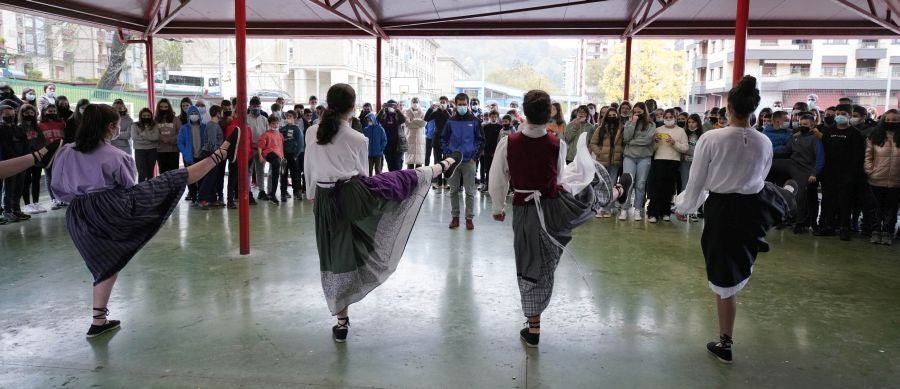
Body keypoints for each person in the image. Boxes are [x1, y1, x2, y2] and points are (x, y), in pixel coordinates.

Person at [51, 103, 235, 338]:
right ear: (110, 127)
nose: (118, 130)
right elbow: (128, 187)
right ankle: (219, 155)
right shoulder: (116, 156)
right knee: (170, 180)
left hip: (78, 214)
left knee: (105, 265)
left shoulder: (66, 151)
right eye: (117, 126)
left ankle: (99, 321)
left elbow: (58, 187)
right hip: (111, 209)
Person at [303, 83, 460, 343]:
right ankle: (442, 166)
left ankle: (341, 322)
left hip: (323, 199)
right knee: (402, 180)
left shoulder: (311, 131)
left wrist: (313, 194)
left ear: (329, 104)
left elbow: (309, 166)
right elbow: (362, 175)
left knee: (333, 256)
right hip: (352, 195)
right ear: (353, 107)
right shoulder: (357, 138)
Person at [489, 89, 630, 348]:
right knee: (585, 201)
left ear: (524, 113)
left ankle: (534, 328)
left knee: (529, 264)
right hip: (553, 207)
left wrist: (498, 207)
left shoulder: (509, 142)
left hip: (525, 211)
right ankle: (616, 192)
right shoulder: (557, 144)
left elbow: (497, 178)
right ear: (549, 115)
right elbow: (559, 176)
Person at [674, 75, 797, 365]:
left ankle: (725, 343)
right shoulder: (763, 141)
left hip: (722, 210)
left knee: (724, 279)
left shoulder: (711, 138)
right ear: (754, 109)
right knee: (733, 271)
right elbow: (761, 177)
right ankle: (787, 197)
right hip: (752, 210)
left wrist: (685, 206)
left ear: (728, 107)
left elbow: (697, 181)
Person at [816, 104, 865, 241]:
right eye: (837, 113)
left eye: (843, 113)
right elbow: (823, 152)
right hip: (829, 173)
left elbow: (858, 156)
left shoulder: (855, 134)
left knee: (845, 201)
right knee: (829, 200)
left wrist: (853, 174)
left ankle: (844, 228)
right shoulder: (828, 132)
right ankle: (829, 226)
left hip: (847, 174)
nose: (839, 116)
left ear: (849, 115)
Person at [770, 112, 824, 234]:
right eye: (801, 124)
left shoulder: (816, 138)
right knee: (772, 164)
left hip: (806, 170)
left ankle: (801, 223)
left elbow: (820, 158)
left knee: (801, 197)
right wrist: (768, 152)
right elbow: (786, 150)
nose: (802, 126)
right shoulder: (796, 136)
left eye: (805, 124)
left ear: (812, 125)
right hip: (792, 164)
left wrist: (814, 173)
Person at [442, 92, 483, 230]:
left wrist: (474, 157)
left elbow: (481, 140)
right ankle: (455, 218)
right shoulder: (450, 121)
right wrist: (448, 154)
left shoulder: (475, 121)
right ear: (455, 105)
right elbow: (443, 139)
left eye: (464, 104)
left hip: (469, 161)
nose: (462, 107)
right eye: (459, 104)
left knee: (469, 192)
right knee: (453, 191)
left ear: (468, 104)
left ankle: (469, 218)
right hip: (452, 162)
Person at [863, 109, 899, 245]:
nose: (891, 122)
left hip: (896, 180)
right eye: (888, 119)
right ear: (883, 120)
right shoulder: (875, 136)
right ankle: (875, 231)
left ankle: (887, 232)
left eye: (895, 120)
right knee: (875, 208)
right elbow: (868, 155)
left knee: (891, 209)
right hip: (876, 179)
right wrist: (870, 171)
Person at [647, 109, 689, 223]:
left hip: (673, 161)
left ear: (675, 118)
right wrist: (655, 141)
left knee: (669, 188)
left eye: (671, 117)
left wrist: (674, 143)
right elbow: (652, 149)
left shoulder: (681, 131)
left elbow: (685, 148)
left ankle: (666, 212)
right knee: (657, 187)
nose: (668, 119)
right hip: (659, 160)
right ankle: (653, 213)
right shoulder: (658, 129)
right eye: (666, 117)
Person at [621, 102, 656, 221]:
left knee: (640, 184)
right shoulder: (629, 122)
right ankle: (624, 209)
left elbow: (647, 140)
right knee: (627, 184)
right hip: (629, 157)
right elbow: (626, 138)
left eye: (639, 112)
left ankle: (637, 209)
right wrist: (632, 123)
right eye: (635, 112)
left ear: (644, 112)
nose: (637, 114)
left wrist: (631, 142)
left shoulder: (651, 124)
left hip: (644, 157)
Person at [590, 106, 624, 218]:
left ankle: (608, 208)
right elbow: (593, 143)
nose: (612, 117)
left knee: (612, 184)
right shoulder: (600, 128)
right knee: (600, 184)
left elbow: (625, 143)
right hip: (602, 161)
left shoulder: (622, 128)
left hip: (615, 162)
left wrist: (620, 152)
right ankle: (599, 208)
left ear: (617, 116)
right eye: (609, 115)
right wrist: (599, 152)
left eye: (614, 115)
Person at [1, 102, 31, 222]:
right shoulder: (1, 129)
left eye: (13, 115)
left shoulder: (18, 128)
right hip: (9, 162)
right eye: (7, 115)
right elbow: (4, 146)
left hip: (21, 162)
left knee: (19, 187)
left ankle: (16, 209)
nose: (11, 117)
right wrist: (15, 157)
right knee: (9, 188)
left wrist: (25, 157)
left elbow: (25, 142)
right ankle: (7, 211)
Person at [18, 104, 47, 214]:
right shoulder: (19, 128)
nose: (29, 115)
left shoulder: (37, 127)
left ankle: (36, 202)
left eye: (31, 113)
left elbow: (42, 141)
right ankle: (27, 204)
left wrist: (40, 153)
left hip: (37, 158)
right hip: (25, 158)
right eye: (26, 113)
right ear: (22, 114)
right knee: (26, 181)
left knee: (36, 180)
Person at [198, 105, 226, 209]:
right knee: (209, 178)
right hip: (211, 153)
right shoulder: (212, 125)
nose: (222, 114)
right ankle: (202, 199)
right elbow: (212, 142)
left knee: (214, 177)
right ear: (218, 113)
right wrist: (215, 156)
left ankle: (212, 199)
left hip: (214, 153)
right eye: (221, 112)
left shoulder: (215, 124)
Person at [176, 106, 206, 204]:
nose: (194, 115)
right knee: (191, 178)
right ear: (188, 116)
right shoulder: (184, 128)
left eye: (195, 113)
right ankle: (193, 197)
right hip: (190, 158)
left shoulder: (204, 127)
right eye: (192, 114)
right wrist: (185, 153)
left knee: (202, 178)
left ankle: (201, 197)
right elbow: (180, 143)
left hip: (202, 157)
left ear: (199, 115)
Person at [39, 104, 66, 209]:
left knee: (61, 176)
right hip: (48, 154)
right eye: (49, 111)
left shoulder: (62, 123)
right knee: (49, 176)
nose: (52, 113)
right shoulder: (40, 125)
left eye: (54, 111)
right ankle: (53, 199)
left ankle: (61, 198)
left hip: (61, 153)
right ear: (44, 112)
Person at [678, 114, 704, 221]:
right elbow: (681, 147)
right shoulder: (683, 133)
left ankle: (693, 211)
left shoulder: (702, 135)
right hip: (685, 163)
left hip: (697, 163)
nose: (691, 124)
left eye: (693, 122)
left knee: (695, 186)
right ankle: (682, 210)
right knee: (685, 186)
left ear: (698, 123)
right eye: (689, 122)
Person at [425, 96, 453, 191]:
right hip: (436, 139)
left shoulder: (449, 111)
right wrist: (430, 109)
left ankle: (446, 182)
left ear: (447, 103)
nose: (442, 103)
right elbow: (426, 118)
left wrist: (444, 110)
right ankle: (438, 182)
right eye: (441, 102)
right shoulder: (436, 112)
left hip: (447, 141)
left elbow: (451, 120)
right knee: (437, 161)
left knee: (446, 161)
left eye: (444, 102)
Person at [258, 115, 285, 205]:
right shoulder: (266, 134)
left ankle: (272, 194)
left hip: (278, 155)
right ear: (269, 124)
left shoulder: (280, 134)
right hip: (269, 153)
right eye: (273, 124)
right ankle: (272, 194)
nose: (275, 125)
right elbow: (260, 146)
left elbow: (281, 147)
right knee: (276, 165)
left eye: (277, 123)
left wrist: (282, 157)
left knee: (276, 174)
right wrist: (260, 156)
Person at [279, 110, 304, 200]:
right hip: (283, 156)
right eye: (287, 116)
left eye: (290, 116)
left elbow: (300, 144)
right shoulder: (282, 129)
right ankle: (283, 193)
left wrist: (296, 155)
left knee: (295, 174)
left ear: (295, 118)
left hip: (293, 155)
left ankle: (297, 192)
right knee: (283, 174)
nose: (288, 118)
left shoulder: (297, 129)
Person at [247, 96, 269, 198]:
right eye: (253, 106)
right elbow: (244, 135)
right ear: (250, 106)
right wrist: (252, 144)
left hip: (261, 149)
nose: (256, 108)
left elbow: (268, 134)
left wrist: (264, 147)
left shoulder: (264, 119)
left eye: (257, 106)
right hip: (249, 149)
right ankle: (248, 192)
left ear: (260, 106)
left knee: (261, 170)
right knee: (248, 171)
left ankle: (262, 191)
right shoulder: (246, 118)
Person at [378, 100, 407, 172]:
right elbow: (377, 120)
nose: (391, 107)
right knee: (390, 165)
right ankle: (393, 178)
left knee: (397, 165)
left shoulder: (397, 115)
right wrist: (382, 109)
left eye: (392, 105)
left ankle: (398, 178)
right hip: (387, 145)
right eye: (389, 105)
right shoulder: (384, 116)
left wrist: (397, 110)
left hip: (398, 144)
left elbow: (403, 119)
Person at [132, 108, 159, 183]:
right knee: (142, 173)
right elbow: (134, 137)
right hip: (139, 151)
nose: (146, 117)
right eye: (144, 116)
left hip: (152, 150)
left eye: (148, 115)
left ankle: (150, 188)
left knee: (150, 172)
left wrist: (143, 135)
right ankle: (141, 188)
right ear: (140, 116)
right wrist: (150, 139)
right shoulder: (134, 125)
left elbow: (156, 137)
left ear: (151, 116)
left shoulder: (155, 125)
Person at [154, 99, 180, 174]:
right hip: (160, 151)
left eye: (166, 107)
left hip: (173, 151)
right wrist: (161, 138)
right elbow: (153, 132)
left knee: (174, 173)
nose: (163, 109)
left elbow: (180, 133)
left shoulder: (176, 119)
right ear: (158, 108)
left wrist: (170, 139)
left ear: (169, 107)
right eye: (161, 107)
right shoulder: (155, 120)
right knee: (163, 174)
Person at [479, 111, 502, 193]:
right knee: (487, 168)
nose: (493, 118)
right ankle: (487, 185)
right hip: (487, 150)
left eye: (495, 117)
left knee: (496, 169)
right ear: (489, 117)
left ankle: (495, 186)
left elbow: (500, 140)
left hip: (497, 151)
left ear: (497, 117)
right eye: (492, 117)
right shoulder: (485, 127)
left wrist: (496, 151)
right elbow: (483, 139)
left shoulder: (500, 127)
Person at [405, 97, 427, 168]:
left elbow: (423, 123)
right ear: (411, 103)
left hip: (420, 139)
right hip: (410, 138)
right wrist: (418, 123)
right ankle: (409, 175)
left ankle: (418, 175)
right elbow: (408, 124)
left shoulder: (423, 112)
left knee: (419, 164)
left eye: (416, 102)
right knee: (410, 163)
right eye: (414, 102)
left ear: (419, 103)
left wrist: (413, 120)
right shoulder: (407, 112)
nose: (415, 103)